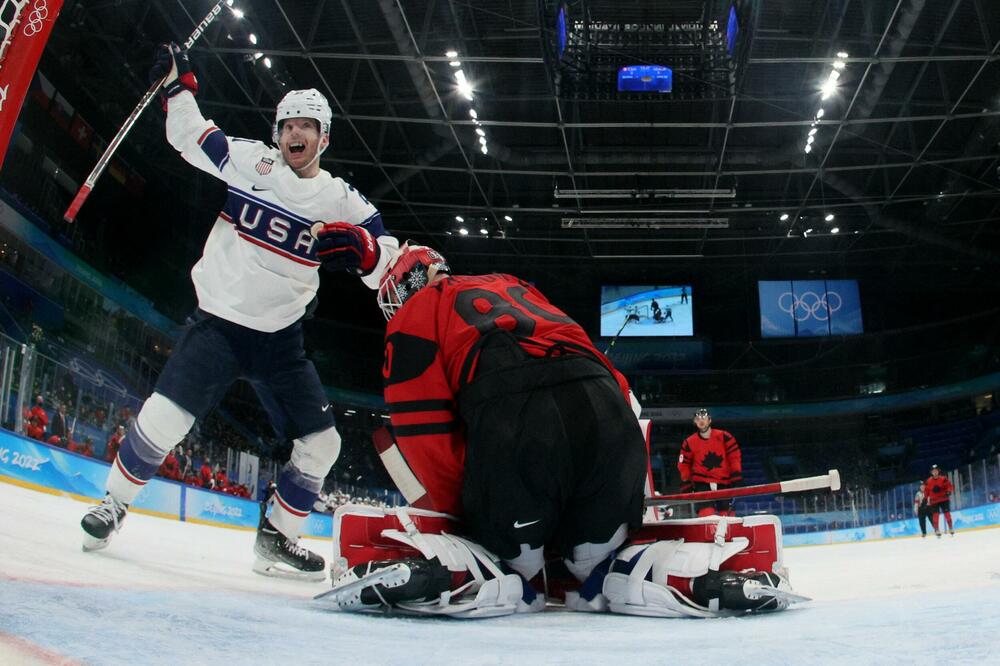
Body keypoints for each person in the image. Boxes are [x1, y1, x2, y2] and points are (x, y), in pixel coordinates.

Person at [323, 244, 795, 618]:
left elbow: (423, 428)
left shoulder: (416, 313)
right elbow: (622, 392)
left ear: (406, 283)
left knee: (517, 569)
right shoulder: (514, 284)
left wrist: (468, 513)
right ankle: (687, 577)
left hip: (519, 421)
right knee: (595, 567)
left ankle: (461, 573)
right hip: (609, 413)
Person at [79, 42, 399, 582]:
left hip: (280, 340)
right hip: (220, 325)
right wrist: (178, 87)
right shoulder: (251, 160)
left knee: (324, 444)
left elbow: (387, 264)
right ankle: (112, 504)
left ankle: (277, 539)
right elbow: (189, 136)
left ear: (325, 137)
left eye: (307, 126)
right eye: (287, 124)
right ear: (278, 132)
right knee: (165, 417)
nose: (295, 134)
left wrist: (369, 253)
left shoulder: (344, 202)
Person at [677, 408, 742, 517]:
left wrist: (736, 475)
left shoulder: (725, 437)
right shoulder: (689, 442)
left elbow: (734, 457)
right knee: (706, 515)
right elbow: (684, 464)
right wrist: (686, 481)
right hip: (701, 483)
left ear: (709, 420)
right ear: (695, 422)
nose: (701, 421)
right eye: (698, 419)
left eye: (704, 418)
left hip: (724, 482)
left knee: (727, 517)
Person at [925, 464, 954, 537]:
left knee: (947, 514)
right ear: (931, 472)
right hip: (934, 501)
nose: (935, 472)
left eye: (936, 471)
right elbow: (926, 491)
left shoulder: (943, 479)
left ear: (938, 471)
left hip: (944, 499)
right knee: (935, 515)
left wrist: (949, 491)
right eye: (933, 471)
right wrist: (926, 499)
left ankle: (950, 528)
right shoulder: (928, 481)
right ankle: (937, 529)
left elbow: (949, 486)